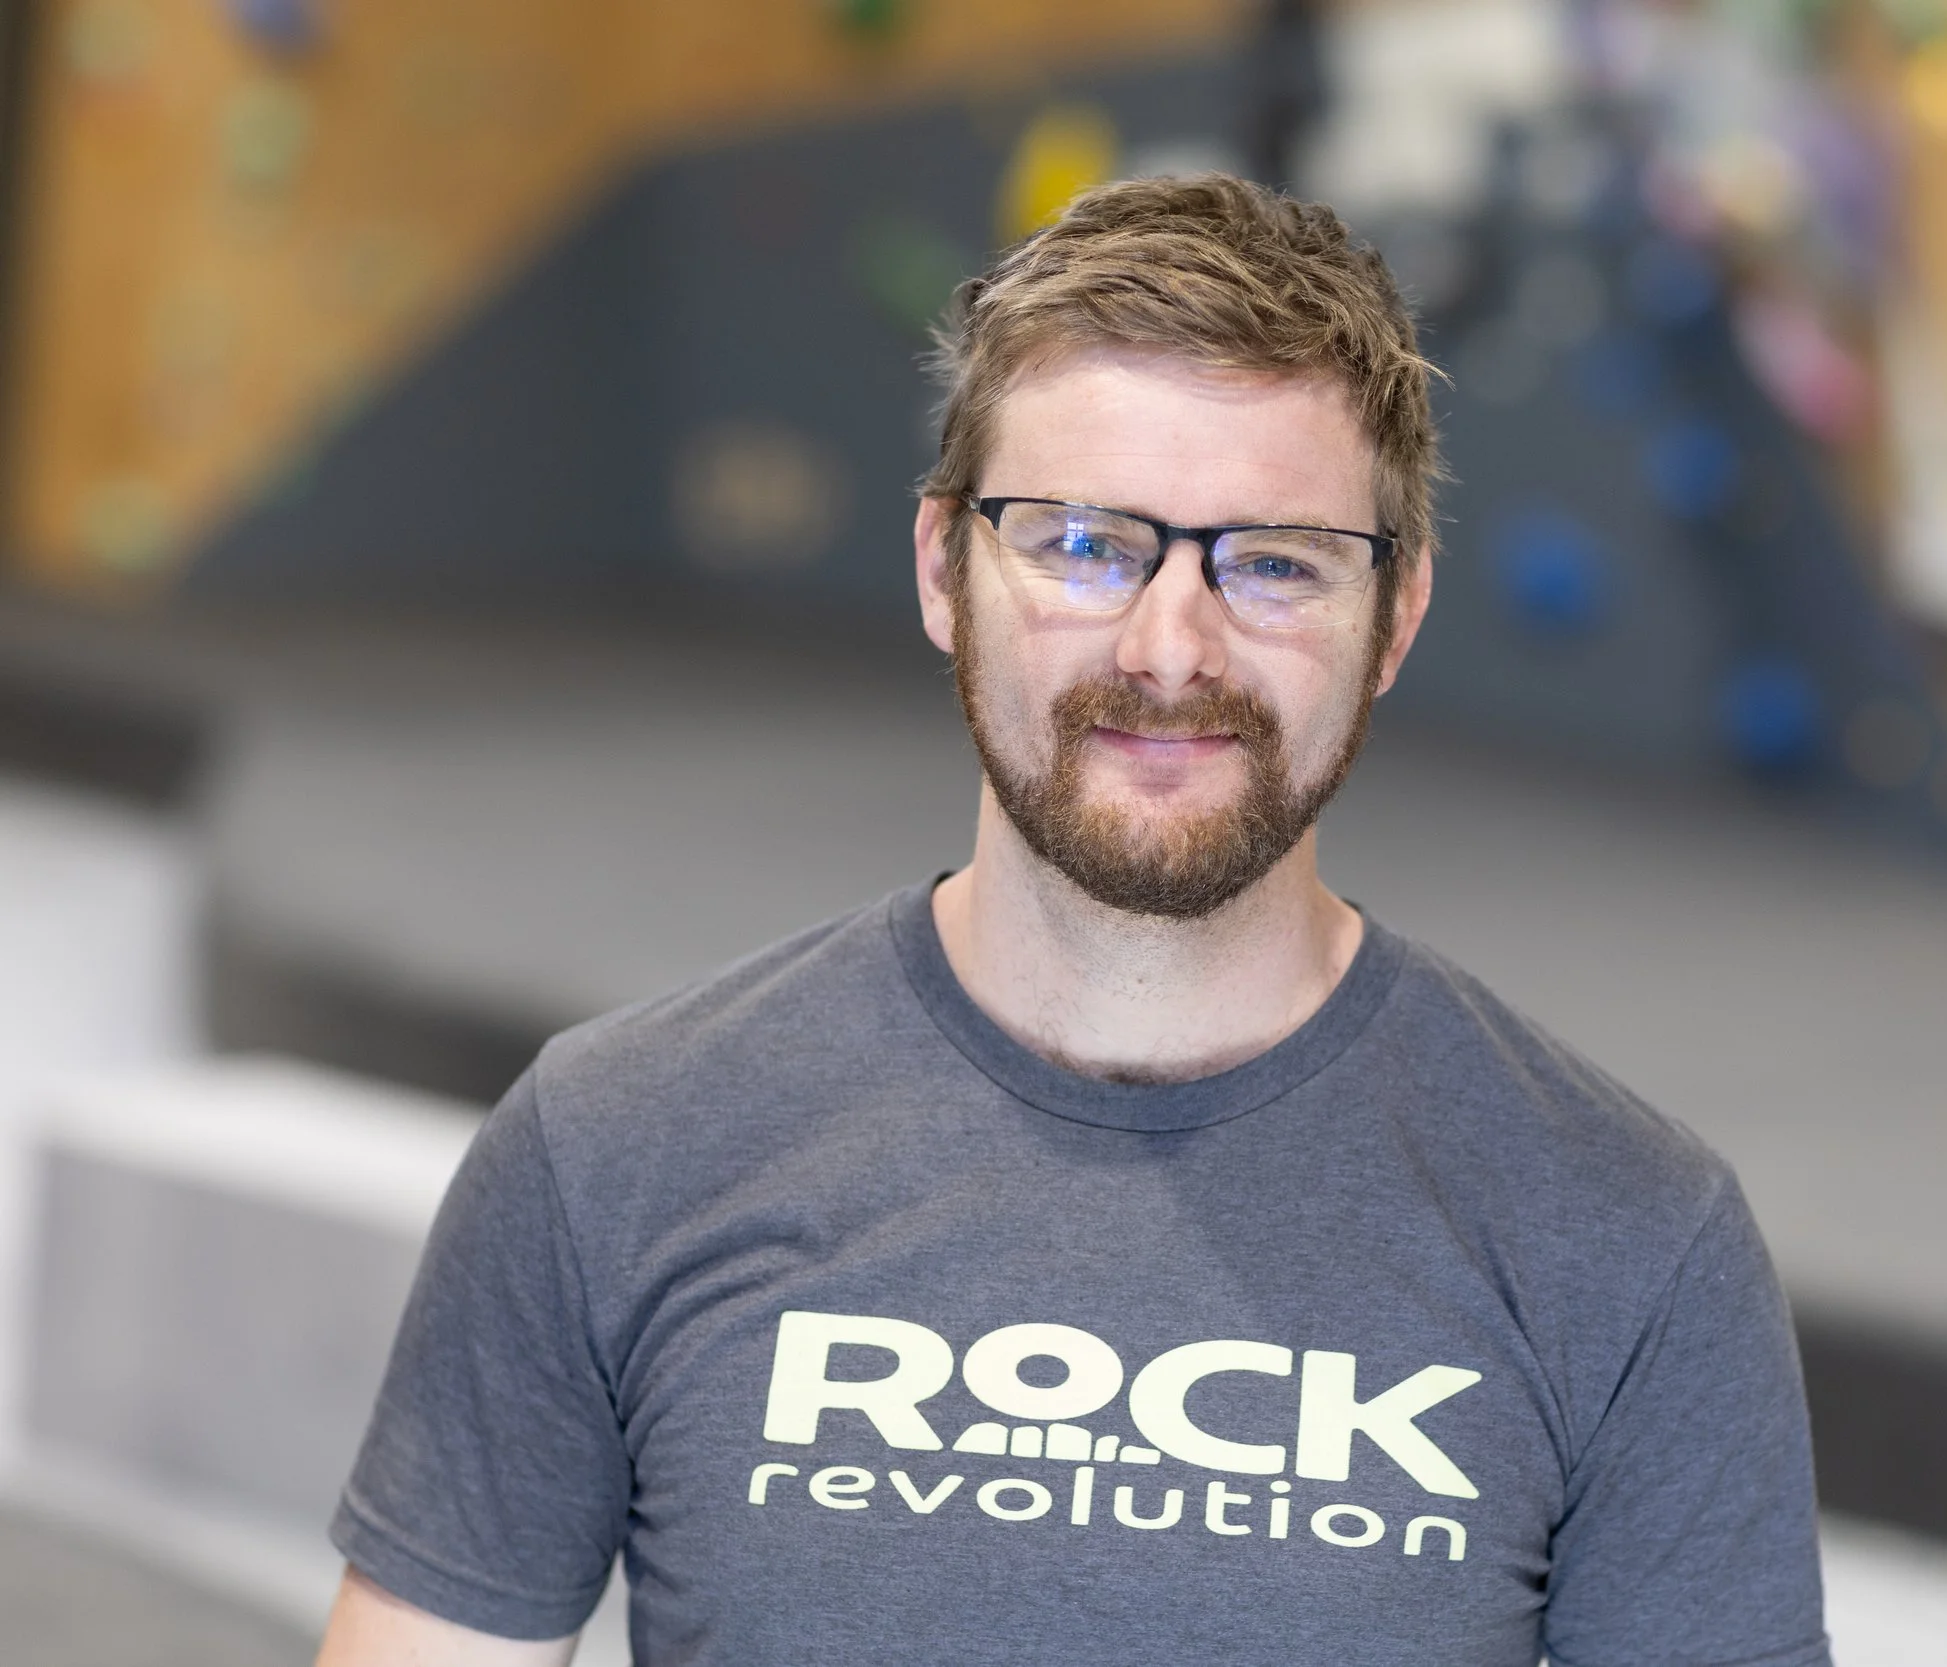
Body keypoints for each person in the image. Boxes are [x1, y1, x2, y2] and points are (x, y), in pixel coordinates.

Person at [315, 173, 1830, 1667]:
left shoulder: (1626, 1236)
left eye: (1275, 565)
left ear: (1397, 620)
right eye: (1086, 545)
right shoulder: (616, 1144)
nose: (1171, 648)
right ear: (942, 570)